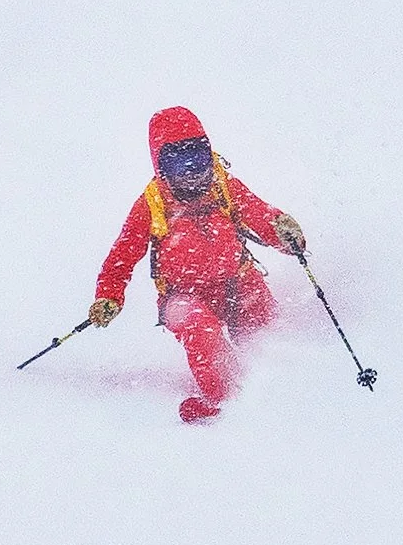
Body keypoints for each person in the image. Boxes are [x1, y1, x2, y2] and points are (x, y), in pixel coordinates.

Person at [89, 107, 308, 424]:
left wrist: (284, 232)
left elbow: (258, 213)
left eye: (198, 157)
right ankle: (228, 395)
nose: (191, 170)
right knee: (197, 326)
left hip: (236, 282)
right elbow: (122, 256)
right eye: (178, 162)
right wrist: (109, 296)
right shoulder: (152, 204)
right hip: (184, 297)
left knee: (266, 327)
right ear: (160, 166)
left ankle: (290, 380)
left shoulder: (223, 186)